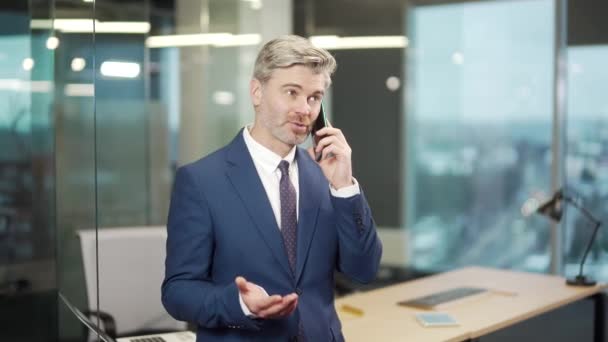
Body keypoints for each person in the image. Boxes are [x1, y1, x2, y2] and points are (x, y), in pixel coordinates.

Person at [161, 35, 382, 342]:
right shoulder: (201, 181)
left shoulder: (327, 178)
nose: (305, 109)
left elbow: (364, 270)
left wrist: (345, 188)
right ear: (257, 91)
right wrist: (240, 304)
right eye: (292, 92)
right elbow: (178, 292)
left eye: (314, 97)